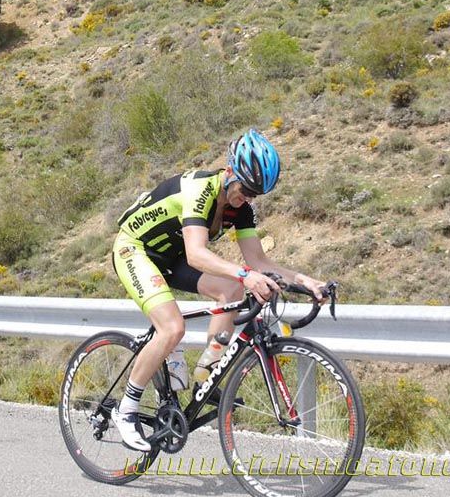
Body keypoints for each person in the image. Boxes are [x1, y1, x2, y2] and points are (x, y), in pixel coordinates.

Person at [109, 128, 328, 450]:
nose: (247, 199)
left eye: (255, 195)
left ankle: (204, 376)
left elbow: (259, 260)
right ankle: (125, 410)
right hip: (137, 250)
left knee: (232, 291)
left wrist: (307, 281)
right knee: (171, 328)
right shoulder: (200, 190)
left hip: (173, 256)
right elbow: (198, 254)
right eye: (245, 189)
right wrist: (245, 274)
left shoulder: (241, 209)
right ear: (229, 173)